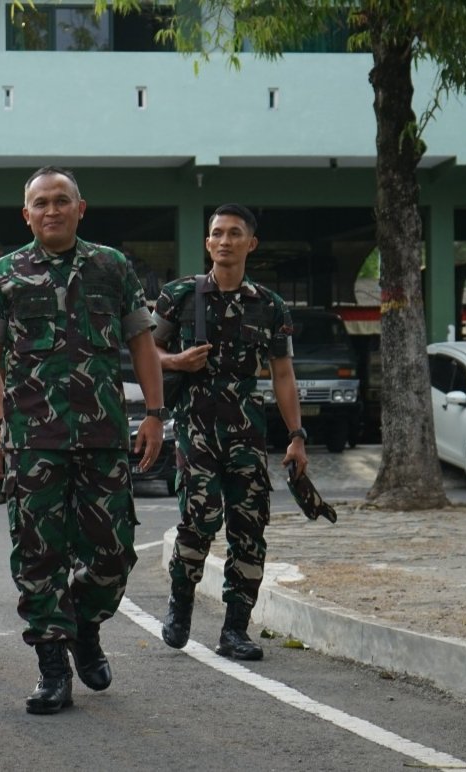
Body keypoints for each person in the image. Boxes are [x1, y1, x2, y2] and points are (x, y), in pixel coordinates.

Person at [0, 166, 164, 715]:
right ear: (25, 214)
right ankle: (52, 666)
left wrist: (153, 414)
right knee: (39, 557)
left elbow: (142, 344)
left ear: (81, 209)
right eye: (40, 203)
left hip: (104, 435)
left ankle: (84, 623)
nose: (51, 210)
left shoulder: (113, 266)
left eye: (61, 201)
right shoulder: (2, 274)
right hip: (33, 441)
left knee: (113, 553)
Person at [154, 203, 307, 660]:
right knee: (199, 521)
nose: (224, 240)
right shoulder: (179, 295)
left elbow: (283, 373)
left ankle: (235, 630)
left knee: (249, 528)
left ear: (250, 243)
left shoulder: (270, 305)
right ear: (207, 243)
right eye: (217, 233)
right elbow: (147, 351)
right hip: (196, 427)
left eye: (234, 233)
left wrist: (297, 436)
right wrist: (178, 362)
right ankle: (180, 605)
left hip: (246, 431)